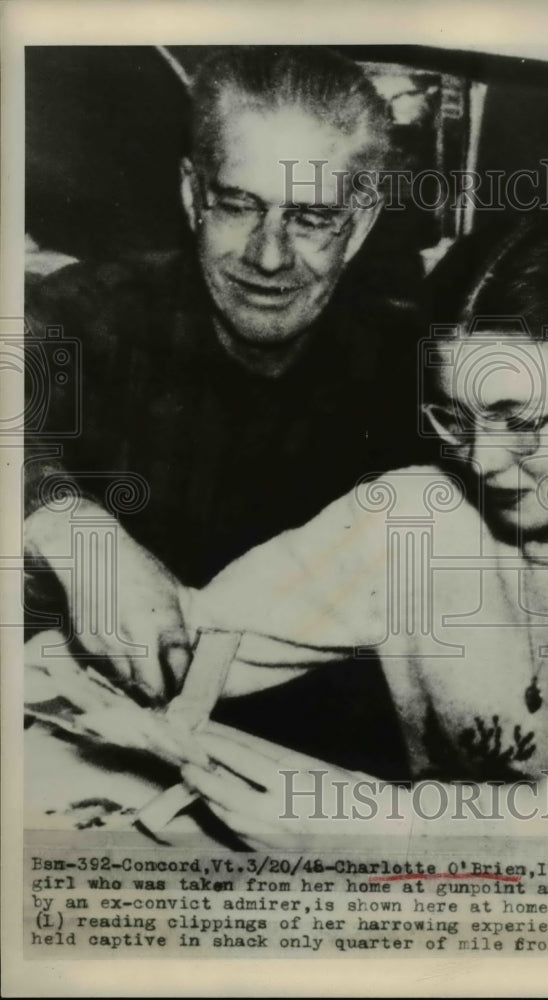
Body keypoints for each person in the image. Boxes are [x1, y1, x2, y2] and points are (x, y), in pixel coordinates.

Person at [177, 211, 548, 854]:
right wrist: (116, 592)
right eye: (454, 419)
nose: (482, 460)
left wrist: (384, 824)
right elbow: (196, 643)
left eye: (519, 419)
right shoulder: (414, 517)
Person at [24, 46, 432, 774]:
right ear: (192, 195)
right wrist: (77, 533)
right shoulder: (89, 313)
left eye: (310, 217)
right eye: (239, 205)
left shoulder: (415, 362)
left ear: (361, 220)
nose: (268, 257)